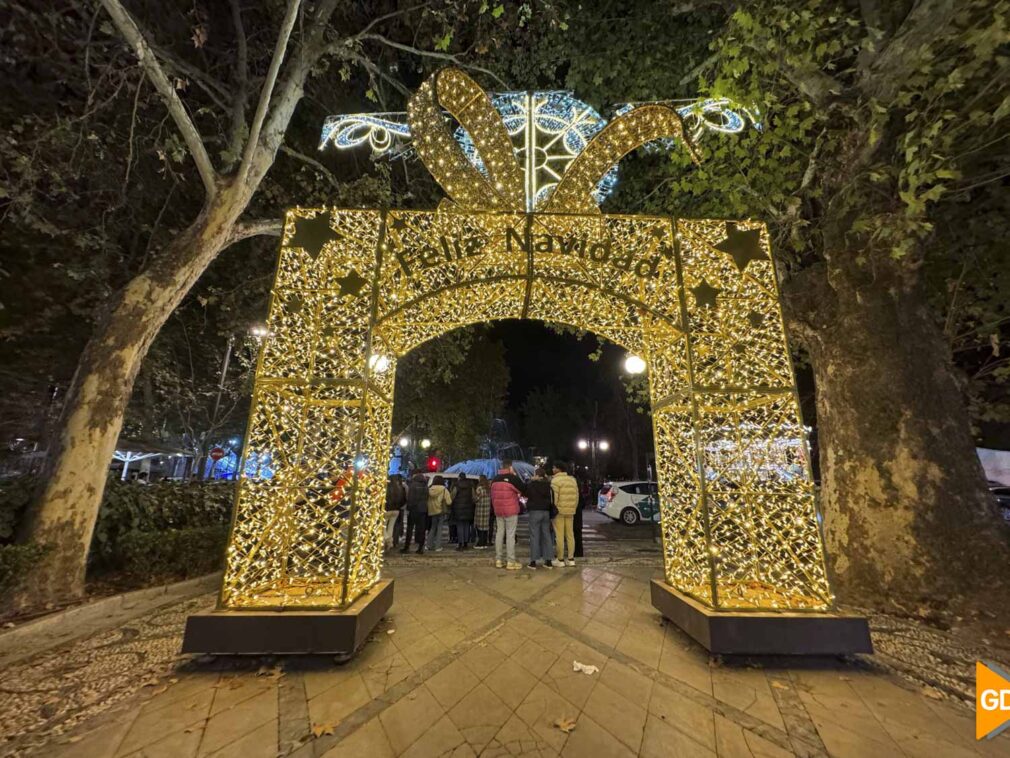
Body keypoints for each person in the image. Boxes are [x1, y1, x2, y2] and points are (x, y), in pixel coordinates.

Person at [490, 458, 525, 570]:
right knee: (510, 535)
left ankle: (499, 560)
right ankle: (511, 561)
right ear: (510, 467)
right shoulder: (513, 478)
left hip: (498, 511)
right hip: (511, 511)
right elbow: (523, 489)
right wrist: (514, 474)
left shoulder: (495, 479)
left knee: (499, 533)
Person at [551, 461, 580, 566]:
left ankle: (560, 559)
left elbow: (554, 498)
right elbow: (577, 496)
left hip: (559, 511)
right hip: (571, 511)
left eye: (554, 467)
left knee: (559, 535)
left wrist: (553, 510)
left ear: (559, 469)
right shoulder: (573, 480)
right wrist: (573, 508)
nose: (553, 469)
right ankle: (571, 559)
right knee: (570, 535)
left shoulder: (555, 481)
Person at [525, 467, 555, 570]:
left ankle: (533, 562)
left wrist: (531, 480)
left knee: (534, 536)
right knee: (547, 535)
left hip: (534, 511)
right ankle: (549, 561)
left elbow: (525, 492)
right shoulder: (548, 485)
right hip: (546, 512)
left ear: (536, 475)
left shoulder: (531, 484)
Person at [401, 473, 429, 554]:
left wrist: (409, 507)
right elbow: (427, 497)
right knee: (421, 529)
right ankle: (421, 547)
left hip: (414, 509)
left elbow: (411, 498)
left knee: (410, 528)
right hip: (423, 509)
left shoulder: (413, 485)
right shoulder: (425, 486)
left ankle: (407, 547)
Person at [450, 473, 476, 550]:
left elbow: (452, 496)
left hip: (458, 509)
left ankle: (460, 543)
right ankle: (465, 543)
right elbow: (474, 497)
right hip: (468, 509)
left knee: (460, 526)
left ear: (459, 478)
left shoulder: (456, 485)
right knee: (466, 526)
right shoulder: (470, 486)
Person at [426, 475, 452, 552]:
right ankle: (438, 546)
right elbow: (449, 501)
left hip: (432, 511)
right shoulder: (444, 489)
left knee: (433, 528)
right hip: (441, 511)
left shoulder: (429, 489)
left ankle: (428, 545)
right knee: (440, 528)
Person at [384, 474, 406, 550]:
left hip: (387, 510)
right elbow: (403, 499)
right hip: (396, 510)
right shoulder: (400, 489)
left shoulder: (387, 489)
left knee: (383, 527)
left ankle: (387, 539)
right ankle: (390, 542)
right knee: (391, 527)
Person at [474, 474, 492, 548]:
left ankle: (480, 543)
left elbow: (476, 499)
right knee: (485, 527)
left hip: (480, 510)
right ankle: (484, 543)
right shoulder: (489, 489)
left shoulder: (479, 489)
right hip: (487, 510)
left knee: (479, 527)